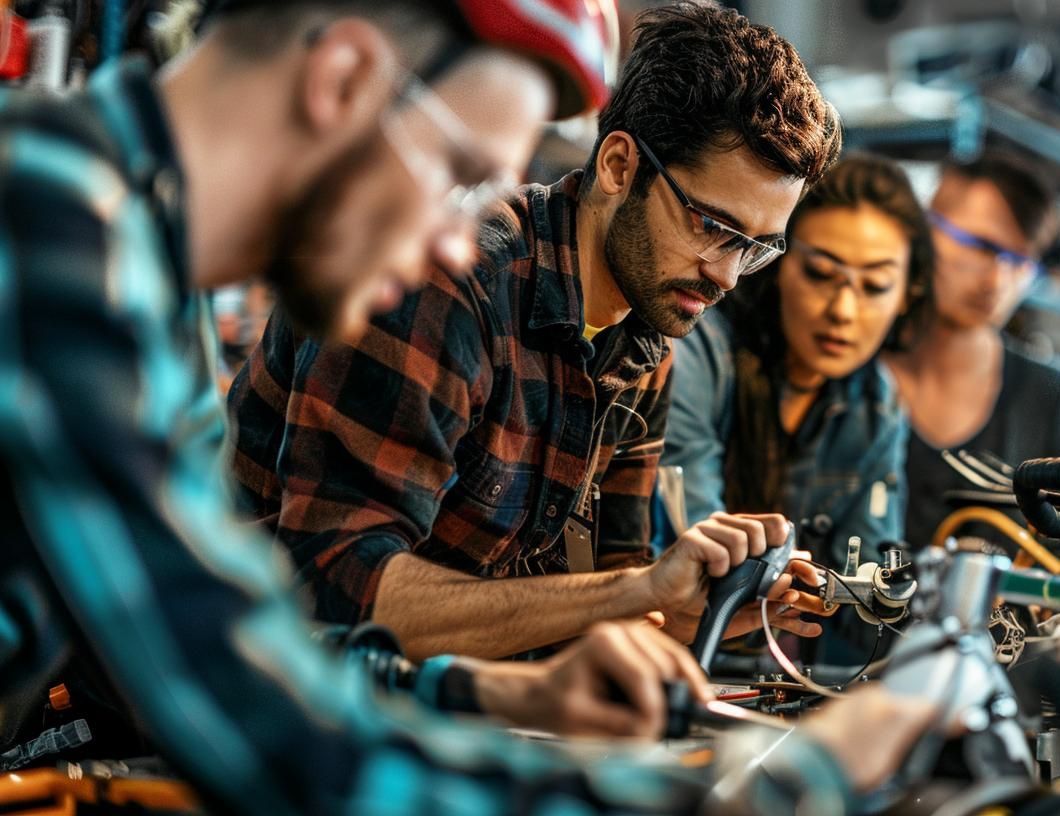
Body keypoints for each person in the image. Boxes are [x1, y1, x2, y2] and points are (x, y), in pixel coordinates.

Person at [0, 0, 937, 811]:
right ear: (344, 79)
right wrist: (777, 793)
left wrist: (499, 698)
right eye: (457, 172)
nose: (456, 243)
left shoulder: (142, 269)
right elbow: (274, 727)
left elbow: (264, 650)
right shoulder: (51, 231)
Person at [228, 0, 838, 661]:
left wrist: (695, 611)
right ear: (618, 166)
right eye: (713, 228)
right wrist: (633, 592)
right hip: (237, 691)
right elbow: (336, 588)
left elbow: (601, 600)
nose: (726, 275)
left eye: (756, 249)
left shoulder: (648, 334)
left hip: (439, 705)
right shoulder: (448, 280)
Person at [659, 153, 933, 667]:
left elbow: (872, 590)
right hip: (657, 656)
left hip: (769, 677)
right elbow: (697, 562)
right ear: (779, 262)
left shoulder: (876, 406)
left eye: (874, 286)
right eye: (821, 273)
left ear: (906, 295)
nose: (843, 311)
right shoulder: (701, 354)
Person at [885, 152, 1060, 552]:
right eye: (980, 246)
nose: (997, 279)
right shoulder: (849, 379)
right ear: (924, 228)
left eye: (1019, 261)